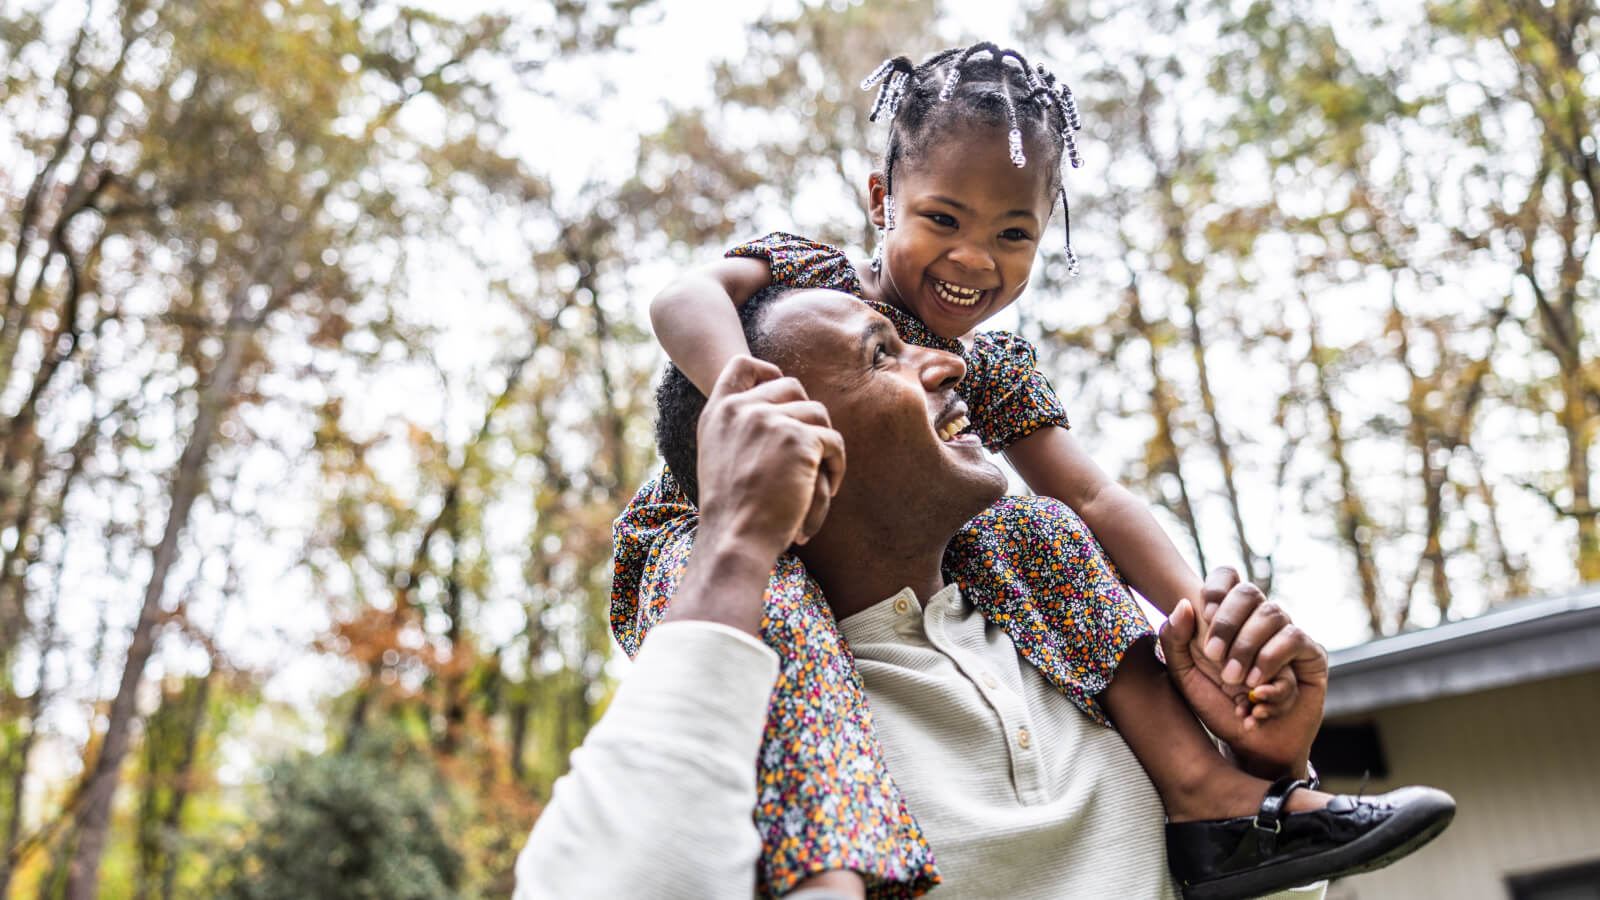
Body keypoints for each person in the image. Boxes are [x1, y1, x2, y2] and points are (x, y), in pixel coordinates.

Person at [615, 43, 1452, 898]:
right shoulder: (812, 285)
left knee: (1043, 528)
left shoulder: (992, 372)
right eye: (943, 219)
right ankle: (835, 866)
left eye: (1012, 234)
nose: (975, 259)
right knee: (770, 605)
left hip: (954, 557)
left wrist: (1203, 620)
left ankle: (1208, 796)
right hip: (724, 513)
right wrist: (744, 400)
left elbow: (1090, 495)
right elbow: (681, 300)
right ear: (881, 198)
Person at [522, 288, 1453, 899]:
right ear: (788, 437)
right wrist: (734, 538)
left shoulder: (1072, 644)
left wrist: (1273, 771)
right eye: (883, 355)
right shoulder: (760, 730)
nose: (949, 363)